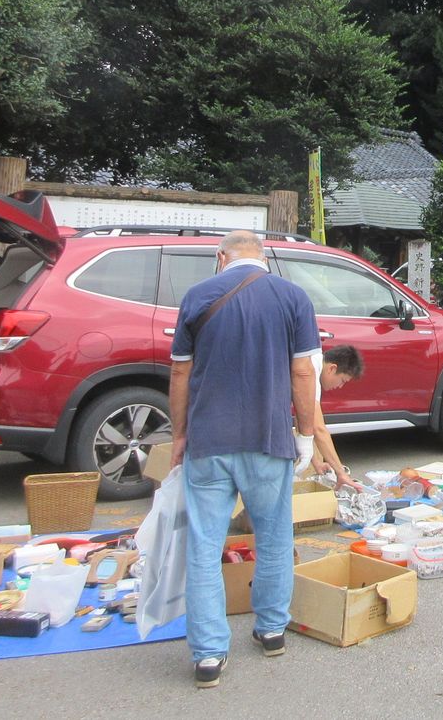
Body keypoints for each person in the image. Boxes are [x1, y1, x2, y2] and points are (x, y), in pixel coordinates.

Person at [169, 231, 320, 689]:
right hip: (268, 438)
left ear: (221, 258)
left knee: (203, 545)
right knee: (273, 536)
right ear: (263, 258)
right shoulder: (292, 297)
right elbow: (302, 370)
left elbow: (180, 371)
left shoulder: (196, 296)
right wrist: (307, 435)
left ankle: (208, 656)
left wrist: (179, 435)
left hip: (209, 441)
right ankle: (272, 629)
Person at [310, 346, 365, 489]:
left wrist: (316, 461)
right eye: (342, 380)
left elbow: (304, 421)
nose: (340, 386)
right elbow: (318, 428)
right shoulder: (311, 373)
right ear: (332, 369)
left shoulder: (313, 363)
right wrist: (341, 473)